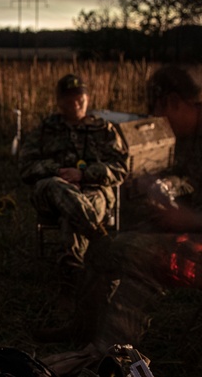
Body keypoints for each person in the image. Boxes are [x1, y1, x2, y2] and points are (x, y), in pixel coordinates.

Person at [38, 65, 202, 356]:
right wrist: (161, 186)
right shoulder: (200, 128)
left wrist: (191, 219)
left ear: (175, 102)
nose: (162, 123)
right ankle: (84, 330)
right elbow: (197, 182)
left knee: (141, 253)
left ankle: (110, 354)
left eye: (161, 113)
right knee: (105, 246)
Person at [18, 73, 129, 287]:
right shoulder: (46, 129)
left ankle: (71, 264)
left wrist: (84, 174)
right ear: (59, 101)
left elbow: (120, 168)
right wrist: (57, 171)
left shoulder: (103, 130)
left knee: (78, 207)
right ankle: (100, 239)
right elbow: (25, 167)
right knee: (57, 187)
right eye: (69, 99)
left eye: (80, 98)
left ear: (87, 98)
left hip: (92, 190)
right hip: (51, 192)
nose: (76, 103)